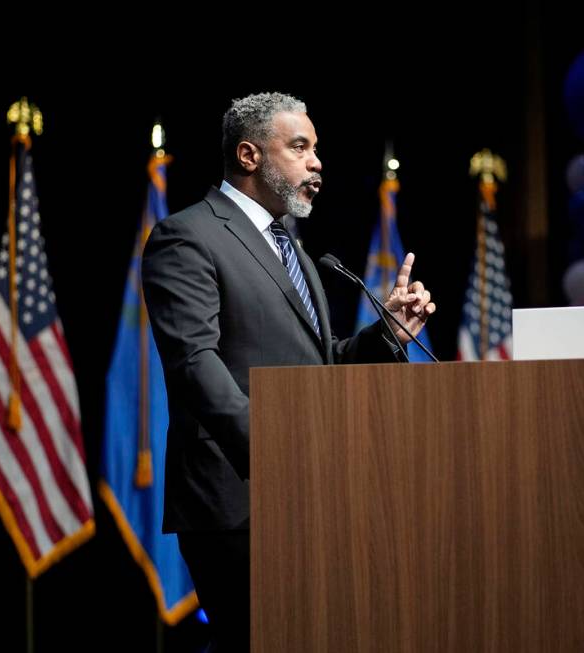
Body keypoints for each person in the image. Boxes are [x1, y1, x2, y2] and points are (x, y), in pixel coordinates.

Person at [141, 92, 435, 652]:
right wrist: (279, 458)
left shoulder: (293, 250)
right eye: (300, 147)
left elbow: (316, 368)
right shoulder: (188, 237)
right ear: (250, 156)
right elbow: (195, 364)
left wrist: (387, 335)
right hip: (239, 499)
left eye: (316, 148)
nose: (317, 162)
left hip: (307, 494)